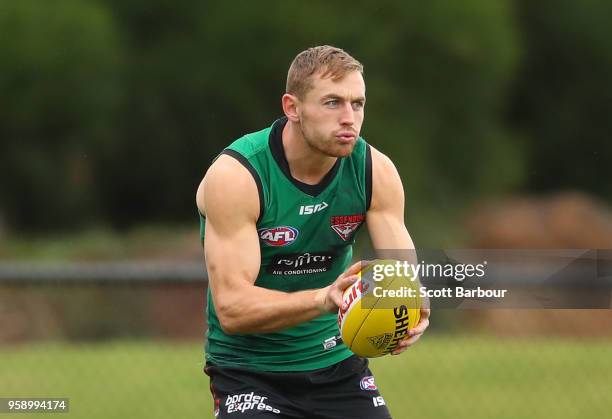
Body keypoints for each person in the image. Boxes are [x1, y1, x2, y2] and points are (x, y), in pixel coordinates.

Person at [196, 45, 430, 419]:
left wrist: (413, 308)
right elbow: (232, 309)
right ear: (292, 107)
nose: (349, 118)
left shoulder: (375, 171)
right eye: (333, 103)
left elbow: (405, 277)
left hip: (337, 366)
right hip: (248, 374)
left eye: (358, 103)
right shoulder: (238, 176)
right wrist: (323, 298)